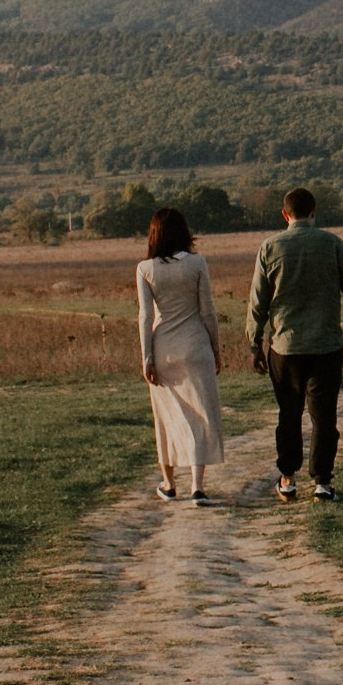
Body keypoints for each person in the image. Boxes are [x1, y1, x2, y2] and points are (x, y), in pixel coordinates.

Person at [243, 187, 343, 503]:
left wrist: (254, 344)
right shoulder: (331, 244)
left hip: (284, 349)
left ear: (284, 215)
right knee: (323, 416)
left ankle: (287, 479)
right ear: (314, 211)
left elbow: (257, 302)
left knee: (289, 414)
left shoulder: (269, 247)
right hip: (325, 347)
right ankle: (323, 482)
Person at [136, 206, 225, 503]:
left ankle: (169, 483)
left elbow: (145, 316)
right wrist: (215, 347)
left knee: (166, 417)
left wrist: (146, 357)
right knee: (200, 413)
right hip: (196, 344)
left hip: (164, 348)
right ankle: (197, 486)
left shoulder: (145, 269)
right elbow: (208, 310)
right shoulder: (198, 263)